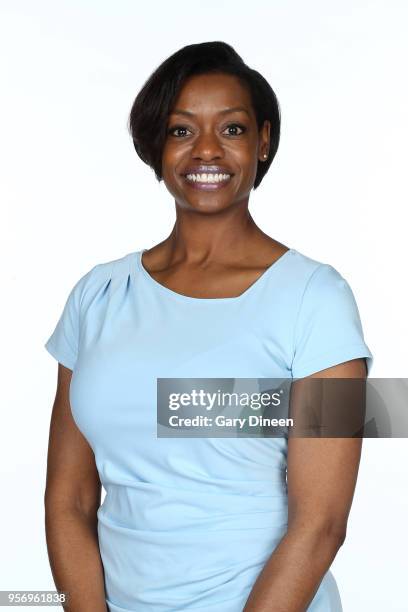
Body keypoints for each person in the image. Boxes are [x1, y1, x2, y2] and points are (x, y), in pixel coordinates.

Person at [44, 41, 373, 612]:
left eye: (233, 130)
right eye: (180, 130)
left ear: (263, 141)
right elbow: (69, 499)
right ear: (156, 145)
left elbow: (321, 525)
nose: (206, 150)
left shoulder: (317, 299)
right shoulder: (97, 295)